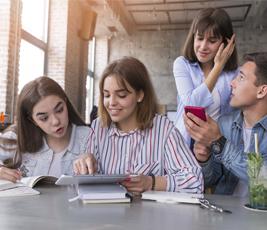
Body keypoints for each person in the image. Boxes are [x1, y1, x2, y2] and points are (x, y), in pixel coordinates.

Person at [73, 56, 203, 194]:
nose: (111, 103)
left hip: (150, 214)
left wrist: (151, 182)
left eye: (121, 95)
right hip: (108, 213)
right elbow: (84, 184)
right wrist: (83, 164)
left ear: (140, 95)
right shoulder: (98, 127)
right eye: (106, 95)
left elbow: (195, 180)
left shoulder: (163, 129)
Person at [184, 52, 267, 196]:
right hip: (224, 213)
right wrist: (204, 159)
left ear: (262, 91)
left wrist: (219, 143)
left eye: (241, 78)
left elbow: (263, 180)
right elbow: (210, 181)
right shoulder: (224, 123)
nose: (232, 83)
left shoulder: (218, 133)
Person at [0, 76, 90, 182]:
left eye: (60, 110)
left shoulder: (90, 137)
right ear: (32, 120)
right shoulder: (15, 137)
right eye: (44, 118)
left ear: (65, 102)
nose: (56, 121)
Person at [173, 7, 238, 145]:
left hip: (217, 147)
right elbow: (191, 105)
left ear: (226, 43)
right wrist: (218, 67)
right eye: (200, 38)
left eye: (212, 41)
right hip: (184, 146)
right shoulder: (182, 64)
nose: (203, 46)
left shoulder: (235, 75)